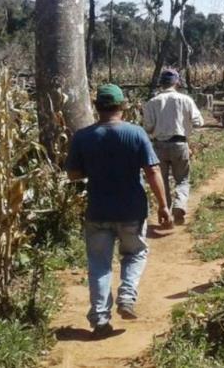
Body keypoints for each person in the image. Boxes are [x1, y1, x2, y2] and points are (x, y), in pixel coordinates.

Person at [66, 84, 173, 338]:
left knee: (99, 264)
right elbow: (152, 170)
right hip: (131, 210)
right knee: (135, 253)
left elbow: (72, 174)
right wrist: (163, 205)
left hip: (98, 211)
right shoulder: (135, 134)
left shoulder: (82, 137)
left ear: (97, 107)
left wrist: (94, 168)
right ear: (123, 106)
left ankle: (100, 318)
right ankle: (127, 296)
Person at [142, 69, 204, 225]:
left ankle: (166, 212)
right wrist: (185, 124)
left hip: (158, 146)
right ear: (176, 82)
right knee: (182, 179)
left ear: (161, 83)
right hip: (180, 144)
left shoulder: (152, 102)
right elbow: (199, 122)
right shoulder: (186, 100)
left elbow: (148, 127)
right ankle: (180, 205)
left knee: (161, 181)